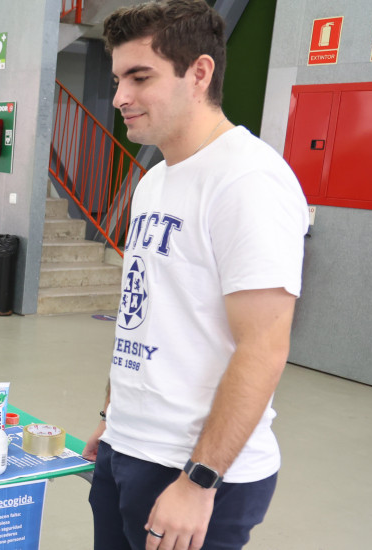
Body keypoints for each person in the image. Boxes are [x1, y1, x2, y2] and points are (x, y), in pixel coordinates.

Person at [81, 2, 309, 550]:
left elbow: (264, 346)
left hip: (194, 473)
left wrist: (200, 479)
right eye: (117, 79)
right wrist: (114, 416)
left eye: (140, 78)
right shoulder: (154, 180)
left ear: (199, 73)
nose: (119, 98)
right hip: (128, 448)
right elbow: (146, 311)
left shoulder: (248, 181)